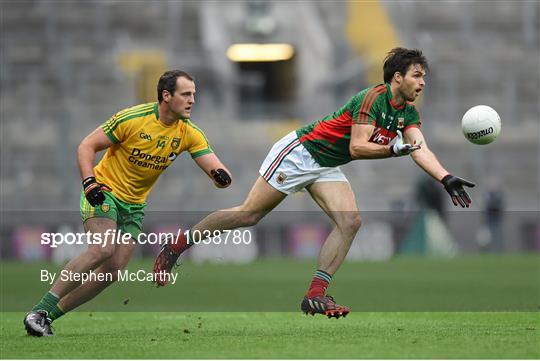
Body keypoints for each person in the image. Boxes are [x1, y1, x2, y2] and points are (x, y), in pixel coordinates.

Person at [153, 48, 475, 318]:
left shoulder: (407, 113)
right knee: (248, 215)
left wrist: (444, 177)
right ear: (397, 78)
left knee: (350, 221)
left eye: (424, 76)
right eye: (417, 75)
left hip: (326, 165)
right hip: (300, 153)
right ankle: (177, 246)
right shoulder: (371, 99)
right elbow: (357, 147)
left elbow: (421, 149)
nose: (422, 82)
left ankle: (315, 295)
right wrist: (393, 149)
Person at [24, 70, 232, 336]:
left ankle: (47, 317)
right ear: (166, 96)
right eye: (186, 94)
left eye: (194, 94)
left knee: (113, 269)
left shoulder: (189, 133)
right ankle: (39, 310)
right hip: (104, 191)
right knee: (102, 249)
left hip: (134, 206)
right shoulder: (132, 119)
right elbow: (86, 146)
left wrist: (221, 178)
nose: (192, 100)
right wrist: (89, 182)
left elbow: (216, 168)